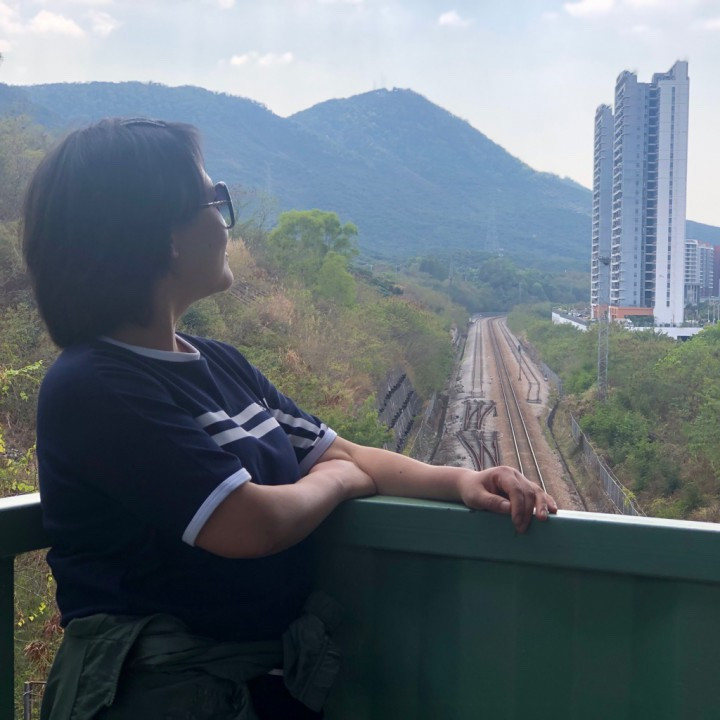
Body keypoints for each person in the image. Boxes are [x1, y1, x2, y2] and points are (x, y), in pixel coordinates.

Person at [23, 118, 557, 720]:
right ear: (165, 236)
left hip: (253, 684)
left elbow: (342, 452)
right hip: (154, 694)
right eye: (214, 201)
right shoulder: (94, 386)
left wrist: (461, 482)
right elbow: (247, 523)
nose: (225, 222)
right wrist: (339, 482)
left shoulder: (218, 363)